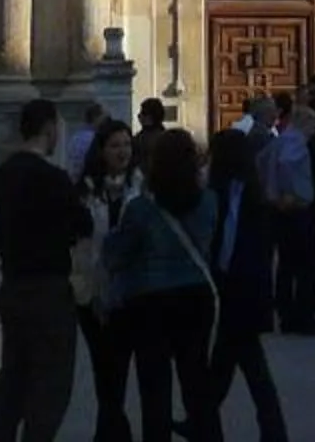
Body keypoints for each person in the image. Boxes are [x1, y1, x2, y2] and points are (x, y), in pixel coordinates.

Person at [101, 128, 223, 442]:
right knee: (196, 382)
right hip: (196, 295)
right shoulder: (209, 201)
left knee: (155, 388)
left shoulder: (141, 209)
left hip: (150, 301)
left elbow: (115, 254)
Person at [0, 97, 87, 442]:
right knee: (50, 384)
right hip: (49, 290)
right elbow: (82, 223)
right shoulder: (54, 178)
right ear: (49, 129)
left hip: (13, 285)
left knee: (13, 375)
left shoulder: (4, 174)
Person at [202, 126, 293, 442]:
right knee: (230, 364)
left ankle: (272, 430)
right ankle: (204, 420)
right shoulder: (232, 191)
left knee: (246, 366)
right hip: (236, 288)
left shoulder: (247, 195)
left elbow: (237, 245)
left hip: (242, 290)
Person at [77, 120, 143, 442]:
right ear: (101, 150)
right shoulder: (85, 190)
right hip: (92, 291)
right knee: (104, 367)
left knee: (117, 368)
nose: (122, 152)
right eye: (115, 145)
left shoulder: (142, 188)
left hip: (130, 292)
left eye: (127, 145)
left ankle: (111, 433)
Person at [259, 102, 315, 335]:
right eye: (312, 126)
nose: (314, 131)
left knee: (286, 265)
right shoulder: (295, 141)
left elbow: (261, 162)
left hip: (278, 212)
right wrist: (289, 192)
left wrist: (271, 192)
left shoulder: (278, 140)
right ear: (304, 123)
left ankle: (286, 314)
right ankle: (304, 316)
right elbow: (287, 164)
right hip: (297, 210)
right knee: (305, 266)